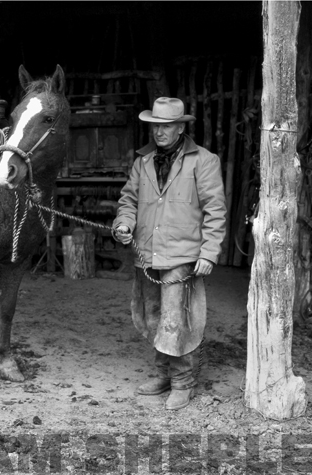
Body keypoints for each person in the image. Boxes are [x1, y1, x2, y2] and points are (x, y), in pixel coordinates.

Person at [112, 97, 227, 410]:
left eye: (165, 126)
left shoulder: (203, 161)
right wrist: (124, 224)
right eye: (154, 126)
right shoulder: (142, 162)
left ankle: (183, 382)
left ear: (180, 127)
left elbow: (215, 211)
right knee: (152, 317)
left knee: (178, 320)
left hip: (182, 256)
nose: (158, 132)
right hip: (147, 254)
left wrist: (209, 253)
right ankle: (163, 374)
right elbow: (128, 201)